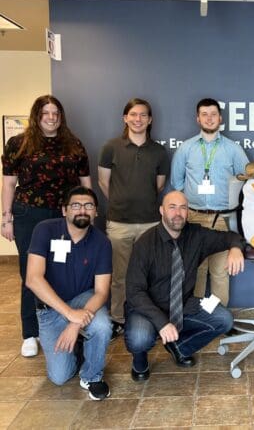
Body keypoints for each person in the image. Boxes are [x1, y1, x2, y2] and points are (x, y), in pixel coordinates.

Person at [1, 95, 91, 357]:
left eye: (55, 113)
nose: (51, 118)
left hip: (65, 216)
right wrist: (6, 218)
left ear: (61, 117)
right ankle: (30, 333)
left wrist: (88, 211)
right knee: (30, 272)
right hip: (29, 215)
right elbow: (8, 183)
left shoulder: (73, 145)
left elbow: (86, 183)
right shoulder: (18, 144)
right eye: (45, 113)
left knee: (62, 269)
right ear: (36, 116)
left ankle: (60, 320)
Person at [124, 190, 245, 381]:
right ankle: (140, 361)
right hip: (147, 309)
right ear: (162, 211)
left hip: (182, 304)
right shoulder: (145, 243)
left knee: (224, 318)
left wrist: (236, 248)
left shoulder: (196, 235)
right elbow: (134, 292)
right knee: (139, 338)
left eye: (183, 207)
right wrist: (162, 322)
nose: (178, 213)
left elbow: (229, 237)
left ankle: (180, 347)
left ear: (188, 211)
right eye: (172, 207)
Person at [25, 186, 112, 400]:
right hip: (51, 308)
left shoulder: (101, 242)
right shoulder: (45, 230)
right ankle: (80, 348)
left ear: (95, 212)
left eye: (88, 205)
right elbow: (33, 279)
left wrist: (75, 323)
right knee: (59, 377)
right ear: (64, 210)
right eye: (76, 205)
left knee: (102, 325)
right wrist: (69, 313)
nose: (82, 210)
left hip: (83, 299)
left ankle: (92, 375)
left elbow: (101, 292)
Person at [98, 98, 169, 338]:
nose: (138, 119)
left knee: (152, 274)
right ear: (125, 118)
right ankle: (118, 318)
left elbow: (159, 186)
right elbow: (102, 182)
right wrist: (121, 201)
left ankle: (151, 318)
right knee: (120, 275)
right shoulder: (111, 147)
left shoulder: (159, 151)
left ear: (150, 120)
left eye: (143, 115)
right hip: (119, 223)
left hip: (150, 222)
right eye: (133, 115)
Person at [170, 98, 248, 306]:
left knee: (220, 273)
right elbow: (177, 184)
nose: (209, 118)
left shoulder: (233, 149)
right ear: (197, 119)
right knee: (195, 271)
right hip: (193, 218)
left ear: (220, 118)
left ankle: (218, 321)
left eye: (213, 114)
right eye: (204, 114)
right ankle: (194, 319)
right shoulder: (186, 148)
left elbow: (246, 180)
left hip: (222, 219)